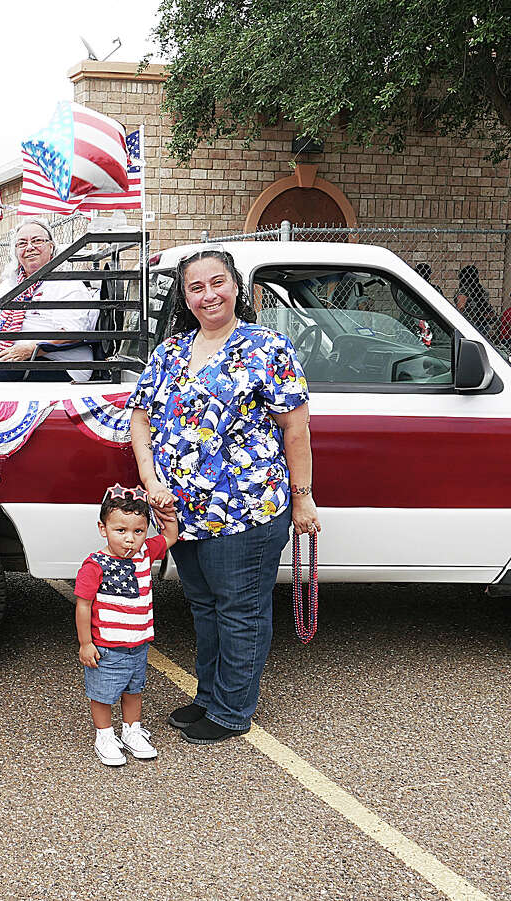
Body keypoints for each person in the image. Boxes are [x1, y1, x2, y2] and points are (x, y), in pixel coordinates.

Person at [126, 246, 320, 745]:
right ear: (185, 295)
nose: (208, 294)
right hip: (180, 514)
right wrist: (150, 481)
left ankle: (232, 710)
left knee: (240, 609)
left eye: (218, 283)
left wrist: (303, 498)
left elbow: (295, 430)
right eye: (196, 287)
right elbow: (141, 415)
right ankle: (209, 695)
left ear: (236, 286)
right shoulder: (170, 352)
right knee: (205, 608)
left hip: (247, 513)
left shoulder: (267, 348)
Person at [74, 486, 178, 766]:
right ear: (103, 528)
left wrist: (166, 512)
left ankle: (131, 731)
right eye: (121, 530)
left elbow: (170, 535)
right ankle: (104, 735)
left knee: (134, 690)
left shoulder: (145, 554)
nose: (130, 539)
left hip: (138, 644)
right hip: (107, 646)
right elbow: (83, 605)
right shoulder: (94, 565)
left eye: (138, 531)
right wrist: (86, 643)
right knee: (103, 693)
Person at [0, 218, 98, 382]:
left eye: (37, 241)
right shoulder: (9, 285)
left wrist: (30, 348)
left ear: (51, 246)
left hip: (61, 361)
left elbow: (72, 333)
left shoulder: (67, 284)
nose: (30, 247)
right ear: (15, 251)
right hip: (13, 349)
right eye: (22, 243)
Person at [455, 264, 498, 339]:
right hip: (483, 325)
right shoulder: (483, 290)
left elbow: (460, 308)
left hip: (468, 325)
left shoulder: (464, 290)